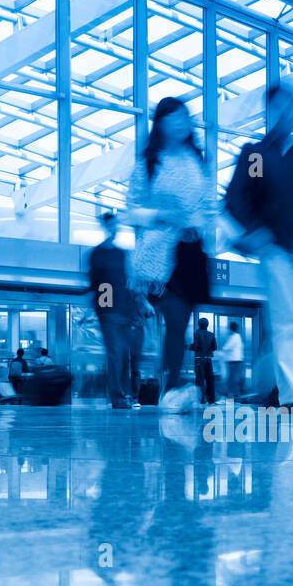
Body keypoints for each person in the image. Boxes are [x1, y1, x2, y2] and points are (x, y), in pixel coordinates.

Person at [223, 84, 293, 412]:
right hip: (277, 251)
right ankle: (291, 395)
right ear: (270, 112)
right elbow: (235, 199)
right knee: (286, 320)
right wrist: (256, 235)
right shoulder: (255, 155)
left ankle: (266, 381)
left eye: (292, 108)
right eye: (281, 108)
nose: (287, 115)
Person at [127, 96, 211, 413]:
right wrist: (160, 215)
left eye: (185, 116)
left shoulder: (197, 160)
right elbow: (131, 210)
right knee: (174, 317)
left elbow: (207, 206)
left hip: (191, 251)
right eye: (174, 117)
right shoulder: (148, 162)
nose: (182, 122)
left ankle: (172, 387)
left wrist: (206, 229)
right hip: (158, 254)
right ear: (160, 123)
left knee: (181, 322)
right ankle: (171, 388)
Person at [87, 210, 140, 408]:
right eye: (110, 225)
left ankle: (123, 395)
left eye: (116, 225)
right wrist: (102, 309)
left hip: (124, 312)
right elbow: (96, 285)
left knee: (125, 354)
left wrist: (133, 311)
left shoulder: (122, 254)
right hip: (108, 312)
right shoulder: (97, 254)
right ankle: (117, 397)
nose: (114, 229)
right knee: (116, 352)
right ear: (104, 226)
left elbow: (130, 284)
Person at [190, 316, 217, 405]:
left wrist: (190, 347)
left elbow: (196, 346)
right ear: (207, 325)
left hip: (199, 359)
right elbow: (214, 347)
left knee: (200, 380)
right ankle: (211, 399)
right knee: (210, 380)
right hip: (208, 359)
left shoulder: (197, 333)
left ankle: (201, 400)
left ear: (199, 325)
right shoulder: (211, 334)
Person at [220, 321, 245, 398]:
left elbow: (226, 348)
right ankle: (235, 393)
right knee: (234, 378)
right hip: (237, 360)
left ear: (230, 329)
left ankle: (233, 394)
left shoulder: (234, 337)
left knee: (232, 378)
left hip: (234, 361)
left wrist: (221, 352)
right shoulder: (237, 337)